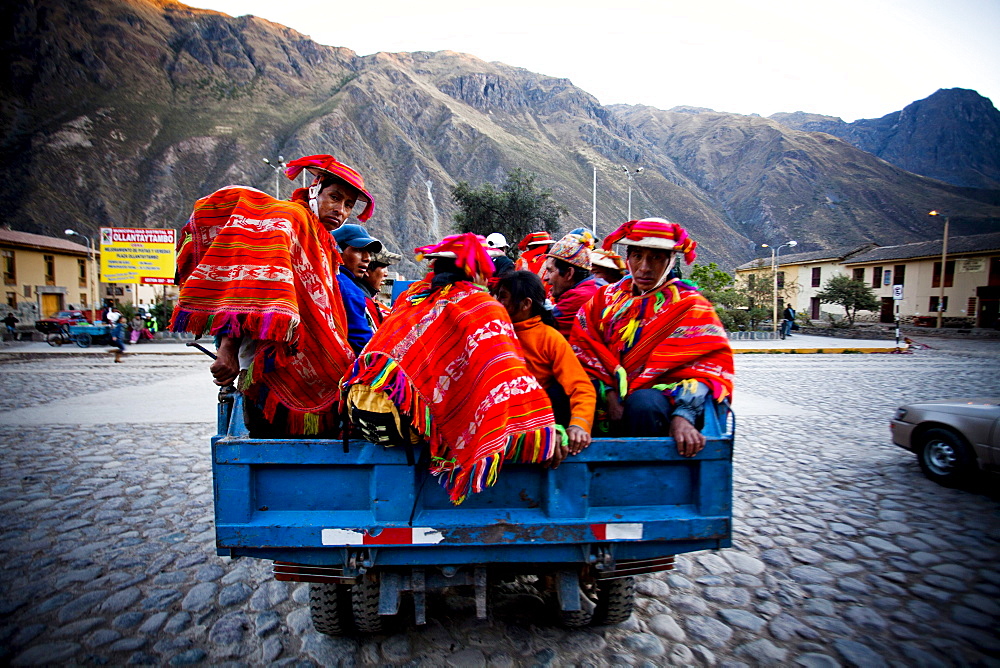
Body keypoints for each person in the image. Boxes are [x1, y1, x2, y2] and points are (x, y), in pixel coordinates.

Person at [342, 233, 559, 504]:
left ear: (436, 267)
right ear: (475, 269)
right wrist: (544, 429)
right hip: (408, 418)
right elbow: (505, 374)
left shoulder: (411, 298)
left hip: (361, 404)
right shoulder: (481, 306)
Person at [171, 154, 374, 436]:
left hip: (307, 369)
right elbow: (251, 283)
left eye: (348, 204)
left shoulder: (322, 240)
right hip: (267, 372)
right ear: (314, 191)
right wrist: (227, 350)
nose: (340, 209)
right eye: (334, 197)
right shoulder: (290, 220)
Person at [570, 218, 734, 457]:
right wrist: (609, 393)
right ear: (628, 258)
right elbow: (583, 346)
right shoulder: (604, 299)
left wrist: (683, 415)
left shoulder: (692, 308)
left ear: (671, 261)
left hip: (661, 400)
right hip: (605, 391)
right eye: (637, 256)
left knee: (643, 404)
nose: (644, 267)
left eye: (656, 257)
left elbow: (708, 368)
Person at [494, 271, 596, 466]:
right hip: (503, 416)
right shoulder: (494, 332)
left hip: (538, 417)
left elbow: (581, 388)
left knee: (556, 394)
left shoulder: (550, 338)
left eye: (503, 297)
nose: (497, 302)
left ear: (525, 304)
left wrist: (579, 425)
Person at [331, 224, 383, 353]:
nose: (367, 258)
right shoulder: (348, 290)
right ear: (338, 251)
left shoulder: (329, 278)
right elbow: (361, 343)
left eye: (369, 252)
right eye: (359, 250)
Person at [542, 231, 600, 337]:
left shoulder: (578, 298)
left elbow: (543, 332)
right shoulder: (590, 289)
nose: (546, 278)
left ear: (569, 273)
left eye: (550, 271)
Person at [361, 248, 402, 324]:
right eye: (383, 266)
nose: (386, 274)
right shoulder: (361, 301)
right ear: (366, 269)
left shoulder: (367, 300)